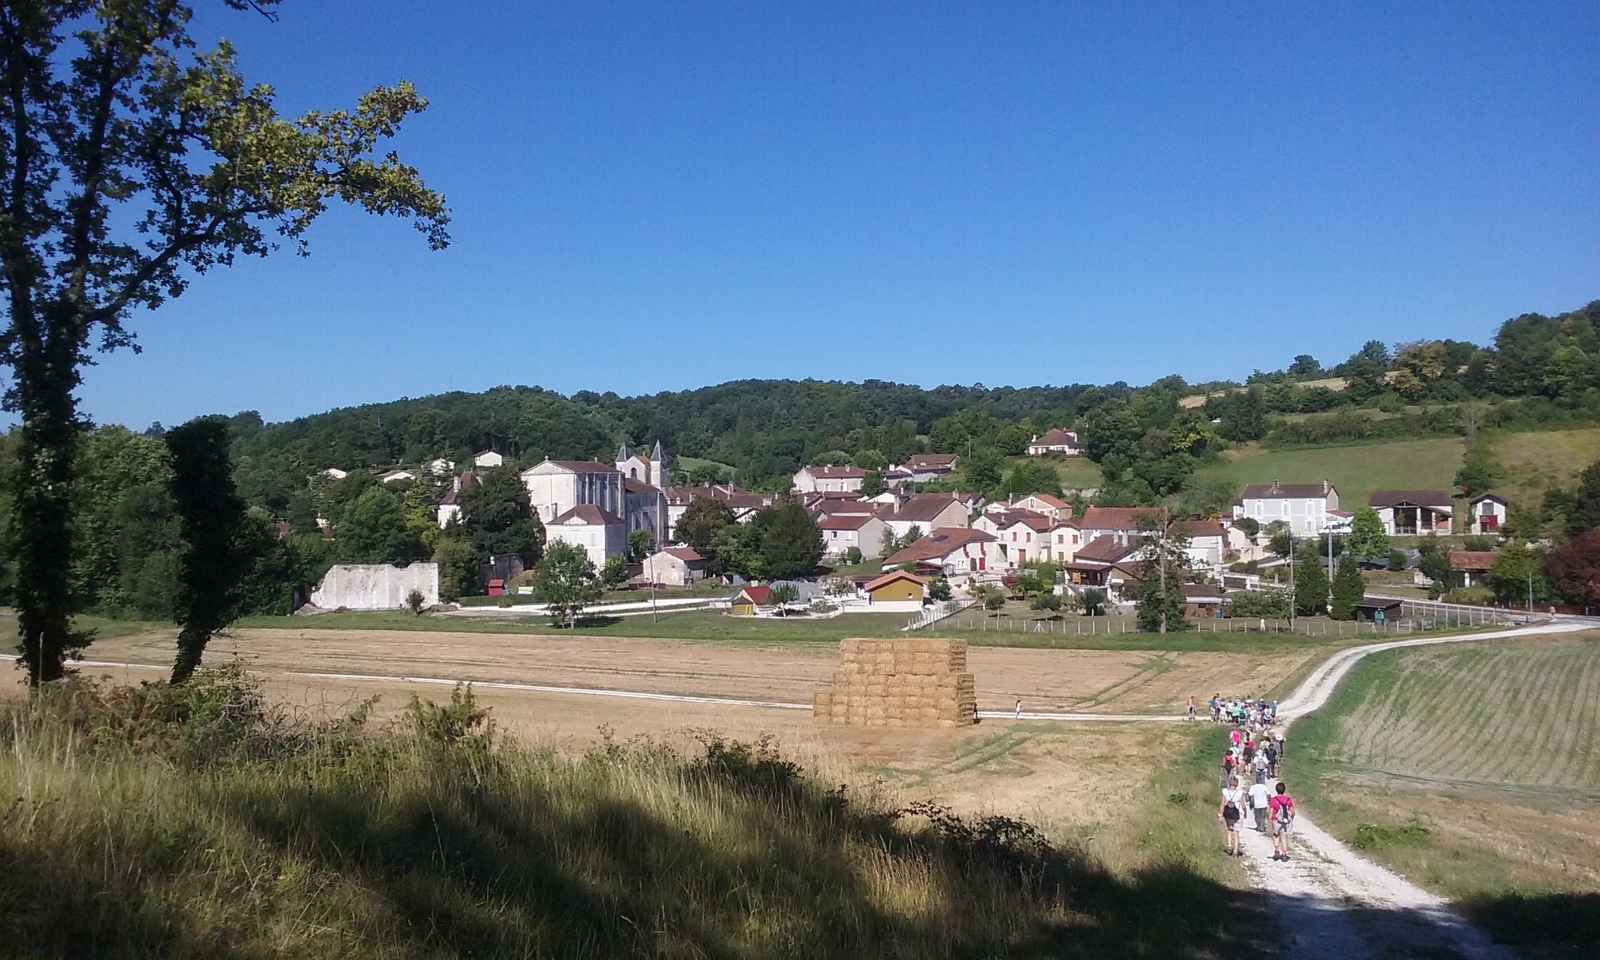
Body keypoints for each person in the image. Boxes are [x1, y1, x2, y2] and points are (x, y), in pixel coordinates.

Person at [1219, 776, 1246, 856]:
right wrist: (1245, 813)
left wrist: (1220, 814)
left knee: (1229, 830)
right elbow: (1243, 805)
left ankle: (1229, 844)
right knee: (1236, 833)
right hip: (1237, 814)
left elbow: (1222, 804)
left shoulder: (1225, 791)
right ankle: (1235, 850)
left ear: (1229, 783)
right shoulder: (1240, 793)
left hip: (1228, 813)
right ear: (1237, 784)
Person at [1269, 781, 1296, 861]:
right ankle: (1284, 854)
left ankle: (1277, 851)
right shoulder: (1288, 799)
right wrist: (1291, 818)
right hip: (1284, 820)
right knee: (1284, 837)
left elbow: (1270, 811)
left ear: (1276, 790)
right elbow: (1293, 812)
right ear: (1284, 790)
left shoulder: (1273, 800)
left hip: (1275, 819)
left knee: (1276, 835)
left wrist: (1270, 821)